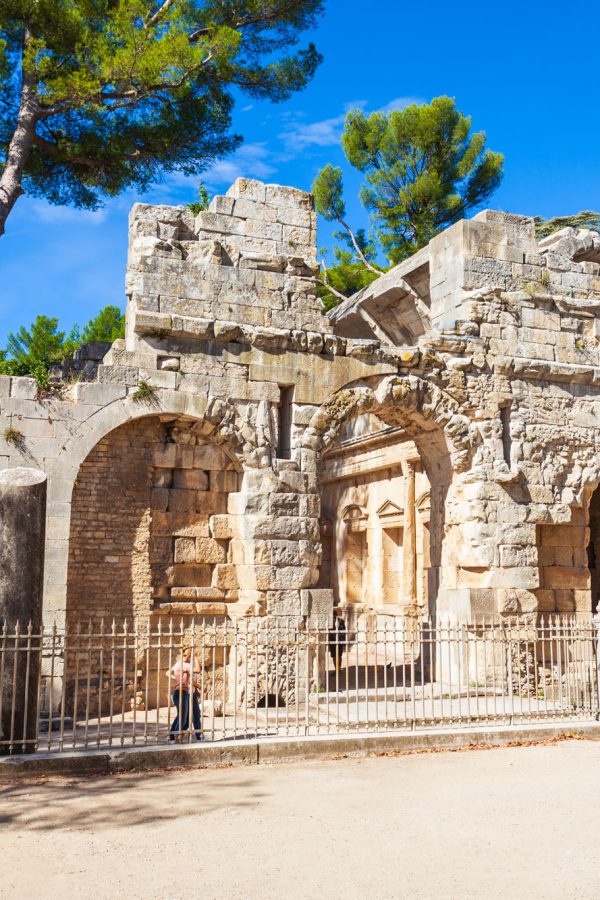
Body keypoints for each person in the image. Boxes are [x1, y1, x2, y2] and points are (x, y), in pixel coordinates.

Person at [167, 646, 202, 742]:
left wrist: (179, 680)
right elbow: (197, 671)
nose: (190, 656)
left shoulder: (185, 665)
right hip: (185, 693)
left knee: (194, 715)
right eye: (189, 654)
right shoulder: (184, 665)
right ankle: (175, 736)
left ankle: (197, 735)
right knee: (183, 717)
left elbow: (191, 679)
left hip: (189, 692)